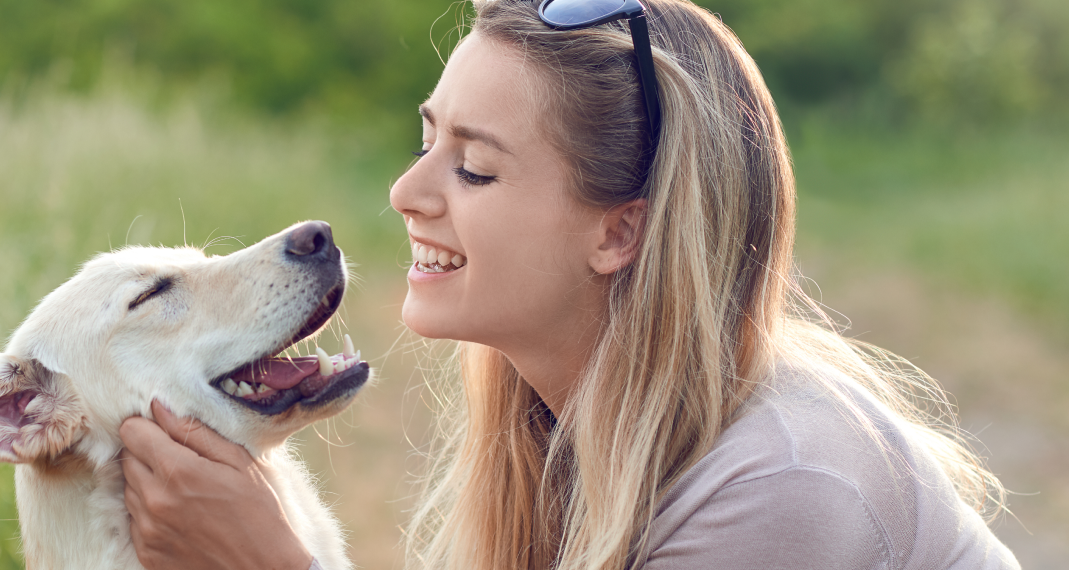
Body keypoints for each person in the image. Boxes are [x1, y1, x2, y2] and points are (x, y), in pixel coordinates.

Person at [116, 0, 1021, 568]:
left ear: (620, 231)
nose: (405, 192)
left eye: (474, 168)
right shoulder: (562, 431)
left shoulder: (783, 487)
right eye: (427, 140)